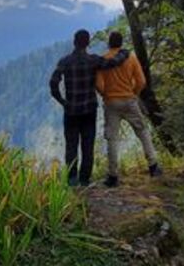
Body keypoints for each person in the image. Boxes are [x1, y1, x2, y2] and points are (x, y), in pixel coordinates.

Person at [49, 29, 130, 187]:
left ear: (74, 42)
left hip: (71, 111)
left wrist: (62, 101)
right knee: (88, 146)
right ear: (88, 43)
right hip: (89, 111)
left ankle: (72, 181)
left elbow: (53, 83)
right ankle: (85, 180)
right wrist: (124, 52)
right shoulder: (93, 60)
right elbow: (113, 62)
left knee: (71, 146)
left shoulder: (65, 61)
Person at [96, 32, 161, 188]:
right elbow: (141, 81)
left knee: (112, 138)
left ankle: (113, 176)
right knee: (143, 131)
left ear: (109, 43)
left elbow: (99, 85)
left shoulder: (103, 61)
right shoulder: (131, 58)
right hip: (129, 100)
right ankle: (153, 166)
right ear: (121, 43)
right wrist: (133, 93)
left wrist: (106, 94)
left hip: (111, 103)